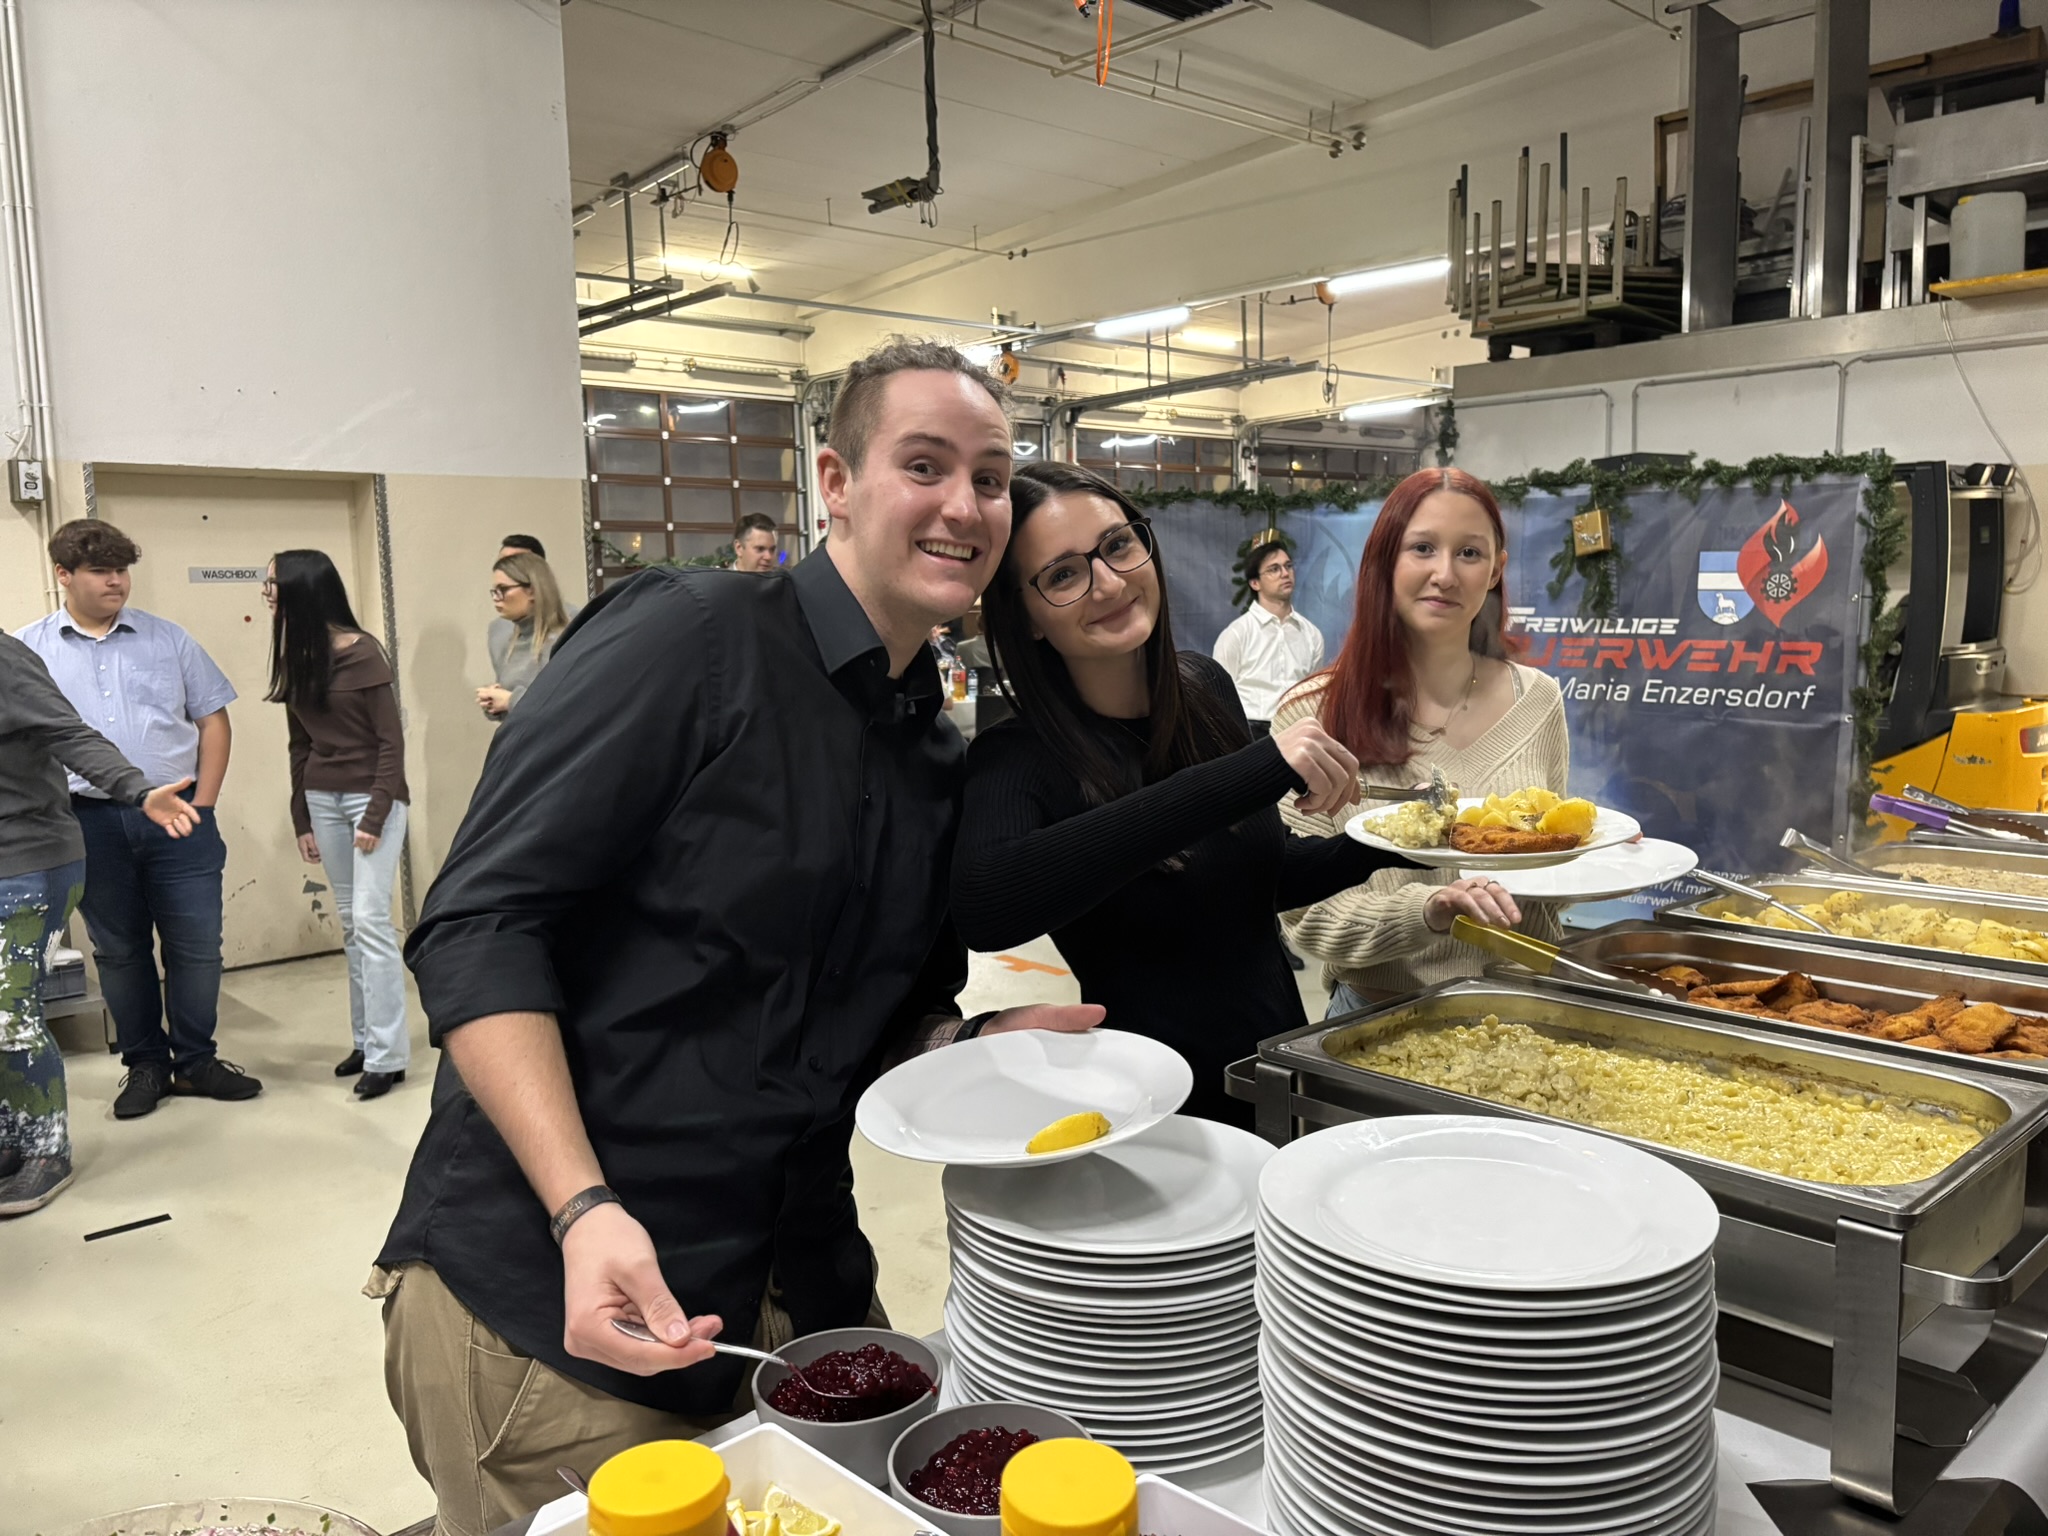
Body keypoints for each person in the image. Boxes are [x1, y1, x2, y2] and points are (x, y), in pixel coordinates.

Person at [368, 339, 1099, 1534]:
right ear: (835, 481)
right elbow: (478, 924)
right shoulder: (691, 638)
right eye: (924, 465)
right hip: (567, 1302)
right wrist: (580, 1208)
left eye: (989, 477)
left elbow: (867, 1014)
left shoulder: (929, 748)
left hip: (793, 1298)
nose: (964, 506)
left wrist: (965, 1046)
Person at [951, 462, 1414, 1126]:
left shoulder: (1205, 687)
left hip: (1277, 1076)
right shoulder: (1017, 757)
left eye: (1118, 545)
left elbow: (1257, 873)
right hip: (1152, 1108)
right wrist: (1251, 772)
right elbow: (987, 905)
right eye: (1063, 575)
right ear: (1026, 618)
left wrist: (1393, 841)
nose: (1110, 582)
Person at [1276, 467, 1570, 1011]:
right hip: (1378, 1016)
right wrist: (1428, 910)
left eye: (1469, 553)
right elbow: (1305, 913)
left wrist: (1594, 855)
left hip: (1525, 1008)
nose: (1445, 574)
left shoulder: (1539, 700)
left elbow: (1550, 868)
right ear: (1385, 559)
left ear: (1496, 570)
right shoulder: (1312, 714)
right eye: (1423, 548)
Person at [16, 520, 261, 1119]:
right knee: (119, 950)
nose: (116, 582)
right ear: (63, 575)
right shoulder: (29, 650)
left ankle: (196, 1061)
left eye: (122, 570)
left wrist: (204, 804)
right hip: (87, 822)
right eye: (101, 571)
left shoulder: (168, 639)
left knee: (197, 946)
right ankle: (146, 1064)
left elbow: (213, 720)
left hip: (180, 817)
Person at [0, 635, 201, 1215]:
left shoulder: (5, 661)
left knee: (8, 1012)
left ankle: (45, 1154)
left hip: (25, 863)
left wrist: (138, 791)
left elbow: (71, 734)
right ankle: (11, 1140)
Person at [264, 551, 413, 1099]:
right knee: (351, 923)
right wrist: (301, 816)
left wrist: (376, 813)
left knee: (371, 921)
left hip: (373, 798)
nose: (267, 593)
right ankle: (366, 1042)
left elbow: (391, 744)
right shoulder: (295, 653)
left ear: (302, 590)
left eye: (273, 584)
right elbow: (299, 744)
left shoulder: (364, 652)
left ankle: (389, 1055)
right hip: (322, 798)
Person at [1212, 538, 1323, 736]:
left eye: (1288, 566)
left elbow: (1312, 692)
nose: (1285, 573)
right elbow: (1219, 694)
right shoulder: (1237, 633)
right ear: (1255, 583)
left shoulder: (1311, 634)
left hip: (1297, 729)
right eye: (1274, 569)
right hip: (1248, 730)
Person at [480, 551, 572, 723]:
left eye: (503, 589)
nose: (496, 598)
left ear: (532, 591)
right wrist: (494, 703)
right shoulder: (510, 640)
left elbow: (566, 706)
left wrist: (510, 701)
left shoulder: (562, 642)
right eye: (494, 591)